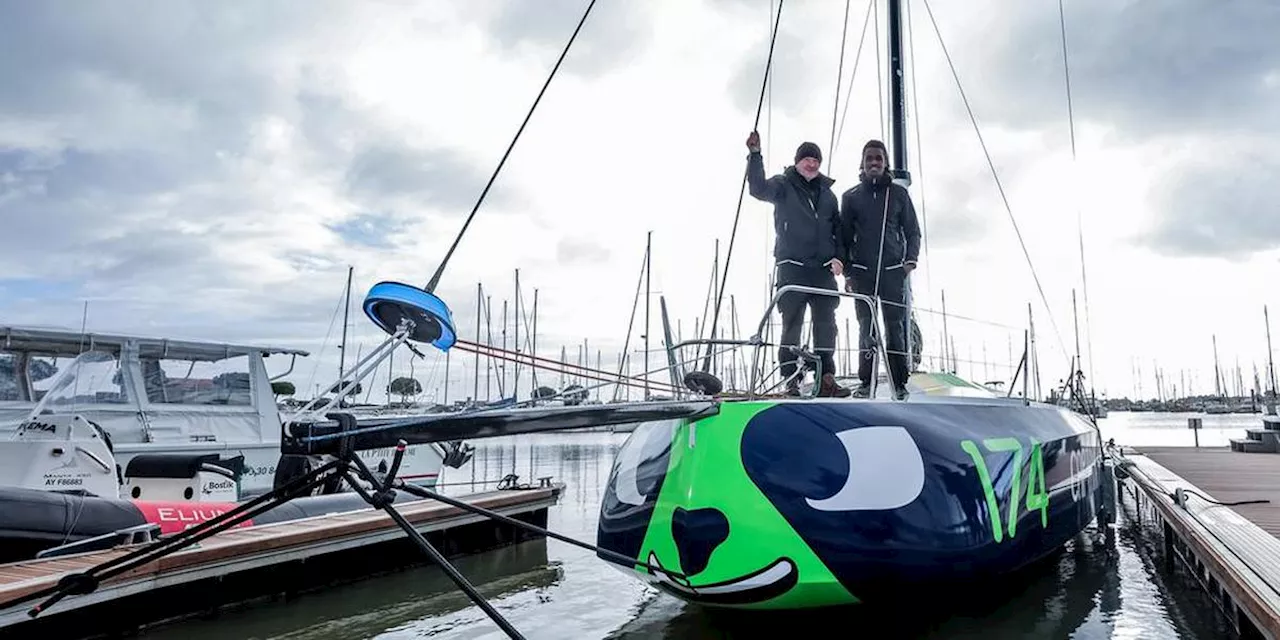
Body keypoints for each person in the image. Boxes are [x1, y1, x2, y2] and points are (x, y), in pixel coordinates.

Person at [745, 131, 850, 398]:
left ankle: (826, 379)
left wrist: (840, 258)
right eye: (807, 159)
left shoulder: (829, 195)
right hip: (792, 266)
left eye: (816, 159)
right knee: (792, 323)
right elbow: (757, 189)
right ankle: (791, 381)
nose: (811, 164)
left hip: (823, 270)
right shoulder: (782, 185)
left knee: (827, 325)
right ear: (797, 161)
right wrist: (755, 156)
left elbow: (838, 230)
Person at [840, 139, 921, 400]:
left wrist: (909, 261)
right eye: (869, 159)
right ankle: (866, 383)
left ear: (885, 163)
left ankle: (900, 383)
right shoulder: (850, 197)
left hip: (892, 272)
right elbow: (843, 237)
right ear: (862, 163)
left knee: (895, 327)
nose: (874, 162)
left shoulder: (899, 195)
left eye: (878, 158)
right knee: (867, 329)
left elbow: (913, 231)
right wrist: (849, 272)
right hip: (862, 272)